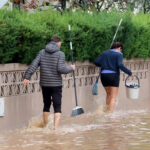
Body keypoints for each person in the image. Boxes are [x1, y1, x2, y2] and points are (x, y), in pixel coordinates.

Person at [24, 35, 75, 129]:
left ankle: (45, 126)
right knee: (57, 107)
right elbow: (61, 69)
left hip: (45, 84)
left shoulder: (42, 52)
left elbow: (34, 64)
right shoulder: (60, 54)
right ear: (59, 42)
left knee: (46, 105)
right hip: (56, 84)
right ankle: (55, 129)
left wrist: (27, 76)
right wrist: (71, 68)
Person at [94, 42, 133, 113]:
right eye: (121, 49)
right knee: (113, 97)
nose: (121, 51)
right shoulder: (119, 54)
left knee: (108, 94)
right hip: (113, 76)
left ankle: (106, 112)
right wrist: (129, 73)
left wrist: (105, 64)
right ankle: (110, 115)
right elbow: (120, 65)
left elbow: (96, 62)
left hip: (103, 75)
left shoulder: (104, 53)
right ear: (119, 48)